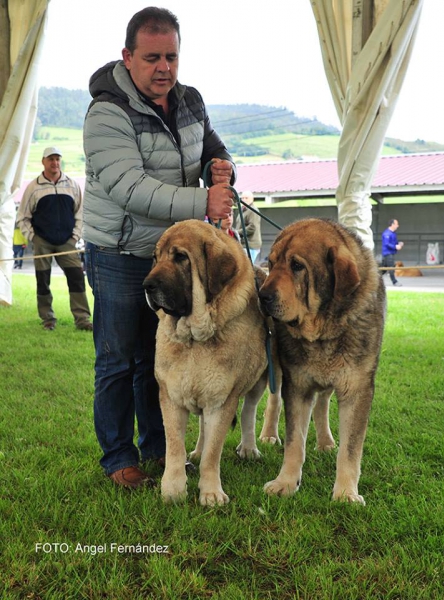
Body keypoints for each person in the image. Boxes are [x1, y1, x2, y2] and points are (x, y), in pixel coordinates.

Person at [82, 7, 236, 489]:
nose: (164, 67)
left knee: (162, 362)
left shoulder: (190, 100)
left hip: (173, 260)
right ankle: (118, 457)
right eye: (152, 58)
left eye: (171, 56)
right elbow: (131, 187)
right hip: (120, 255)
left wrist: (223, 165)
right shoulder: (105, 113)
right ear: (127, 57)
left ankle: (157, 447)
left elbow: (211, 146)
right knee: (118, 358)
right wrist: (203, 200)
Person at [17, 147, 93, 331]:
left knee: (76, 277)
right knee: (43, 280)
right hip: (42, 241)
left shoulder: (72, 185)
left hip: (67, 241)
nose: (55, 163)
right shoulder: (33, 187)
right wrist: (34, 238)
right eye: (51, 159)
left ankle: (82, 320)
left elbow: (81, 213)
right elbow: (23, 217)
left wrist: (75, 236)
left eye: (57, 159)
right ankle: (48, 319)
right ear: (43, 161)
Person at [236, 190, 262, 264]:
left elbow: (252, 227)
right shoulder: (243, 210)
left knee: (247, 266)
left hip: (250, 245)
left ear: (252, 199)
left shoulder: (252, 210)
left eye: (246, 198)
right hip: (243, 244)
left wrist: (237, 233)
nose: (244, 200)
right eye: (242, 198)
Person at [381, 219, 404, 286]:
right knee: (391, 268)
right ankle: (395, 282)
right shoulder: (387, 234)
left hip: (390, 253)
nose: (397, 226)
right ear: (392, 224)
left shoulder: (393, 233)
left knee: (383, 270)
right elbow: (387, 244)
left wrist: (399, 244)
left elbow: (394, 242)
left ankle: (375, 280)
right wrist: (395, 246)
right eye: (396, 224)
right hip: (387, 253)